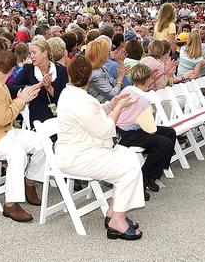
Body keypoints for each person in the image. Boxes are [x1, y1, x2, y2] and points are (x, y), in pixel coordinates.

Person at [55, 55, 145, 240]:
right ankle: (117, 220)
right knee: (129, 167)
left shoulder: (69, 93)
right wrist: (118, 107)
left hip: (81, 150)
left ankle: (114, 212)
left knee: (131, 157)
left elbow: (92, 114)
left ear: (70, 75)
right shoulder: (80, 99)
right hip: (77, 157)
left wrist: (112, 104)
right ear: (90, 77)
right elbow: (104, 130)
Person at [0, 50, 45, 223]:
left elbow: (3, 115)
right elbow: (3, 118)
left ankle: (30, 182)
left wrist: (21, 98)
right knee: (17, 154)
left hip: (2, 131)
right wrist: (21, 101)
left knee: (42, 143)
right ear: (12, 69)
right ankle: (11, 204)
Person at [117, 64, 177, 197]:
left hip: (123, 129)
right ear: (149, 79)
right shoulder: (144, 101)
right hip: (127, 134)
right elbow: (151, 131)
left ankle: (153, 175)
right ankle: (142, 179)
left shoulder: (127, 89)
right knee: (164, 143)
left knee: (170, 133)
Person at [9, 39, 68, 125]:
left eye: (34, 53)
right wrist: (35, 86)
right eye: (30, 54)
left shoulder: (61, 71)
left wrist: (49, 88)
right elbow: (11, 87)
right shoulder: (28, 69)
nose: (31, 57)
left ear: (44, 53)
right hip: (37, 119)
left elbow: (63, 100)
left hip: (59, 118)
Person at [86, 38, 126, 103]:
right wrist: (120, 79)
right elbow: (112, 95)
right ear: (101, 54)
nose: (109, 53)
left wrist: (120, 75)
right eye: (108, 51)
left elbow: (110, 83)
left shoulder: (102, 67)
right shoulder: (96, 74)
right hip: (101, 107)